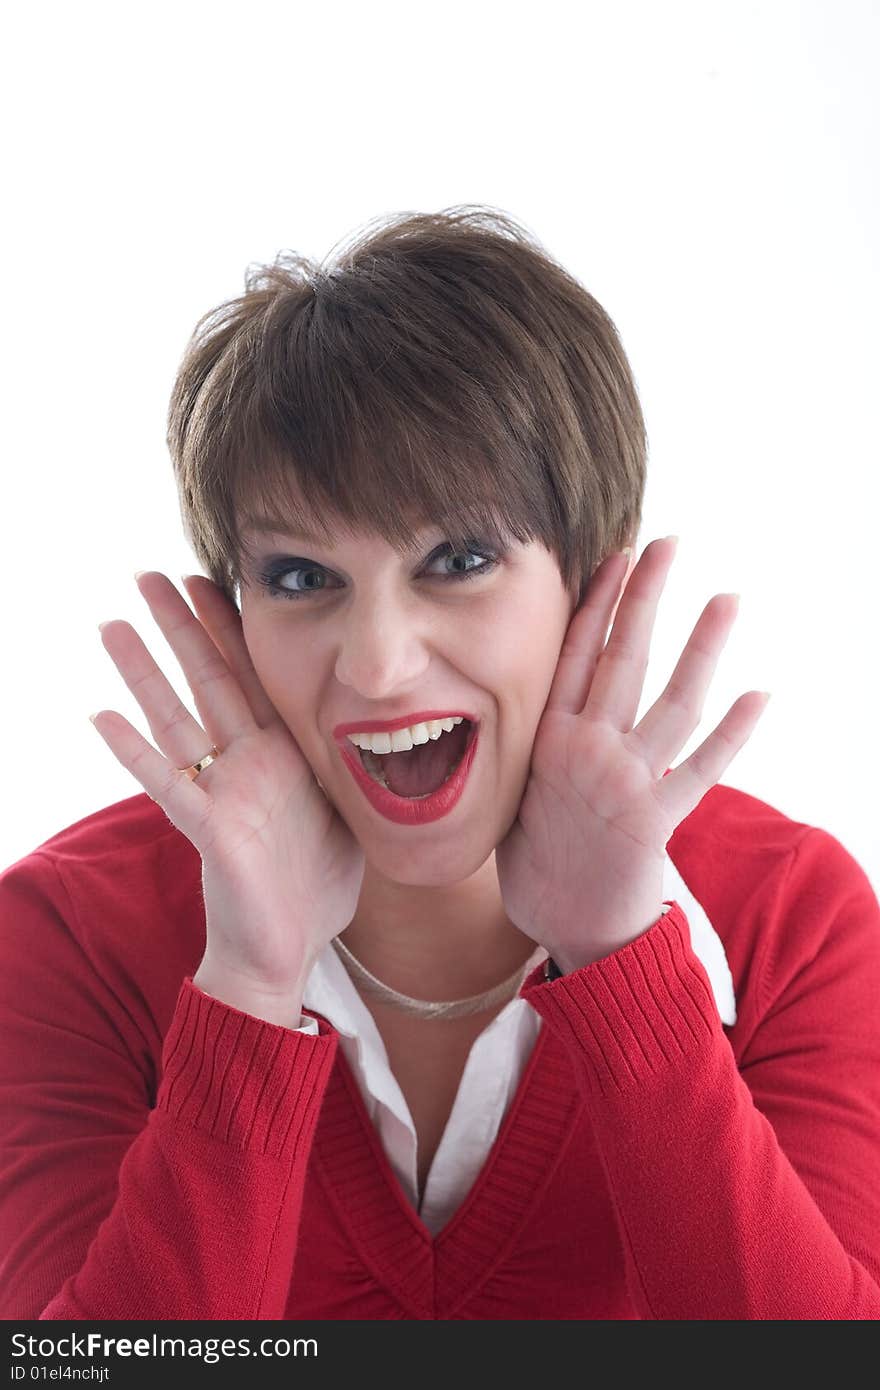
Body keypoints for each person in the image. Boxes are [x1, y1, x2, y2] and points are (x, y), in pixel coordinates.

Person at [1, 206, 878, 1322]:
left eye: (457, 559)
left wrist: (623, 963)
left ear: (586, 581)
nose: (374, 665)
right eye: (300, 577)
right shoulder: (71, 928)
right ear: (232, 613)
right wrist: (251, 994)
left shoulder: (789, 916)